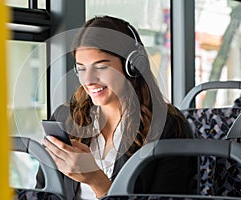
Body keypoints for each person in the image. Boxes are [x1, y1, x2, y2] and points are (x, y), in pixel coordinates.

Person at [36, 15, 195, 199]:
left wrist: (97, 180)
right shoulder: (66, 118)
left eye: (101, 67)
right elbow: (42, 191)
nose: (88, 80)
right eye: (81, 68)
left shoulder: (168, 127)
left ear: (132, 66)